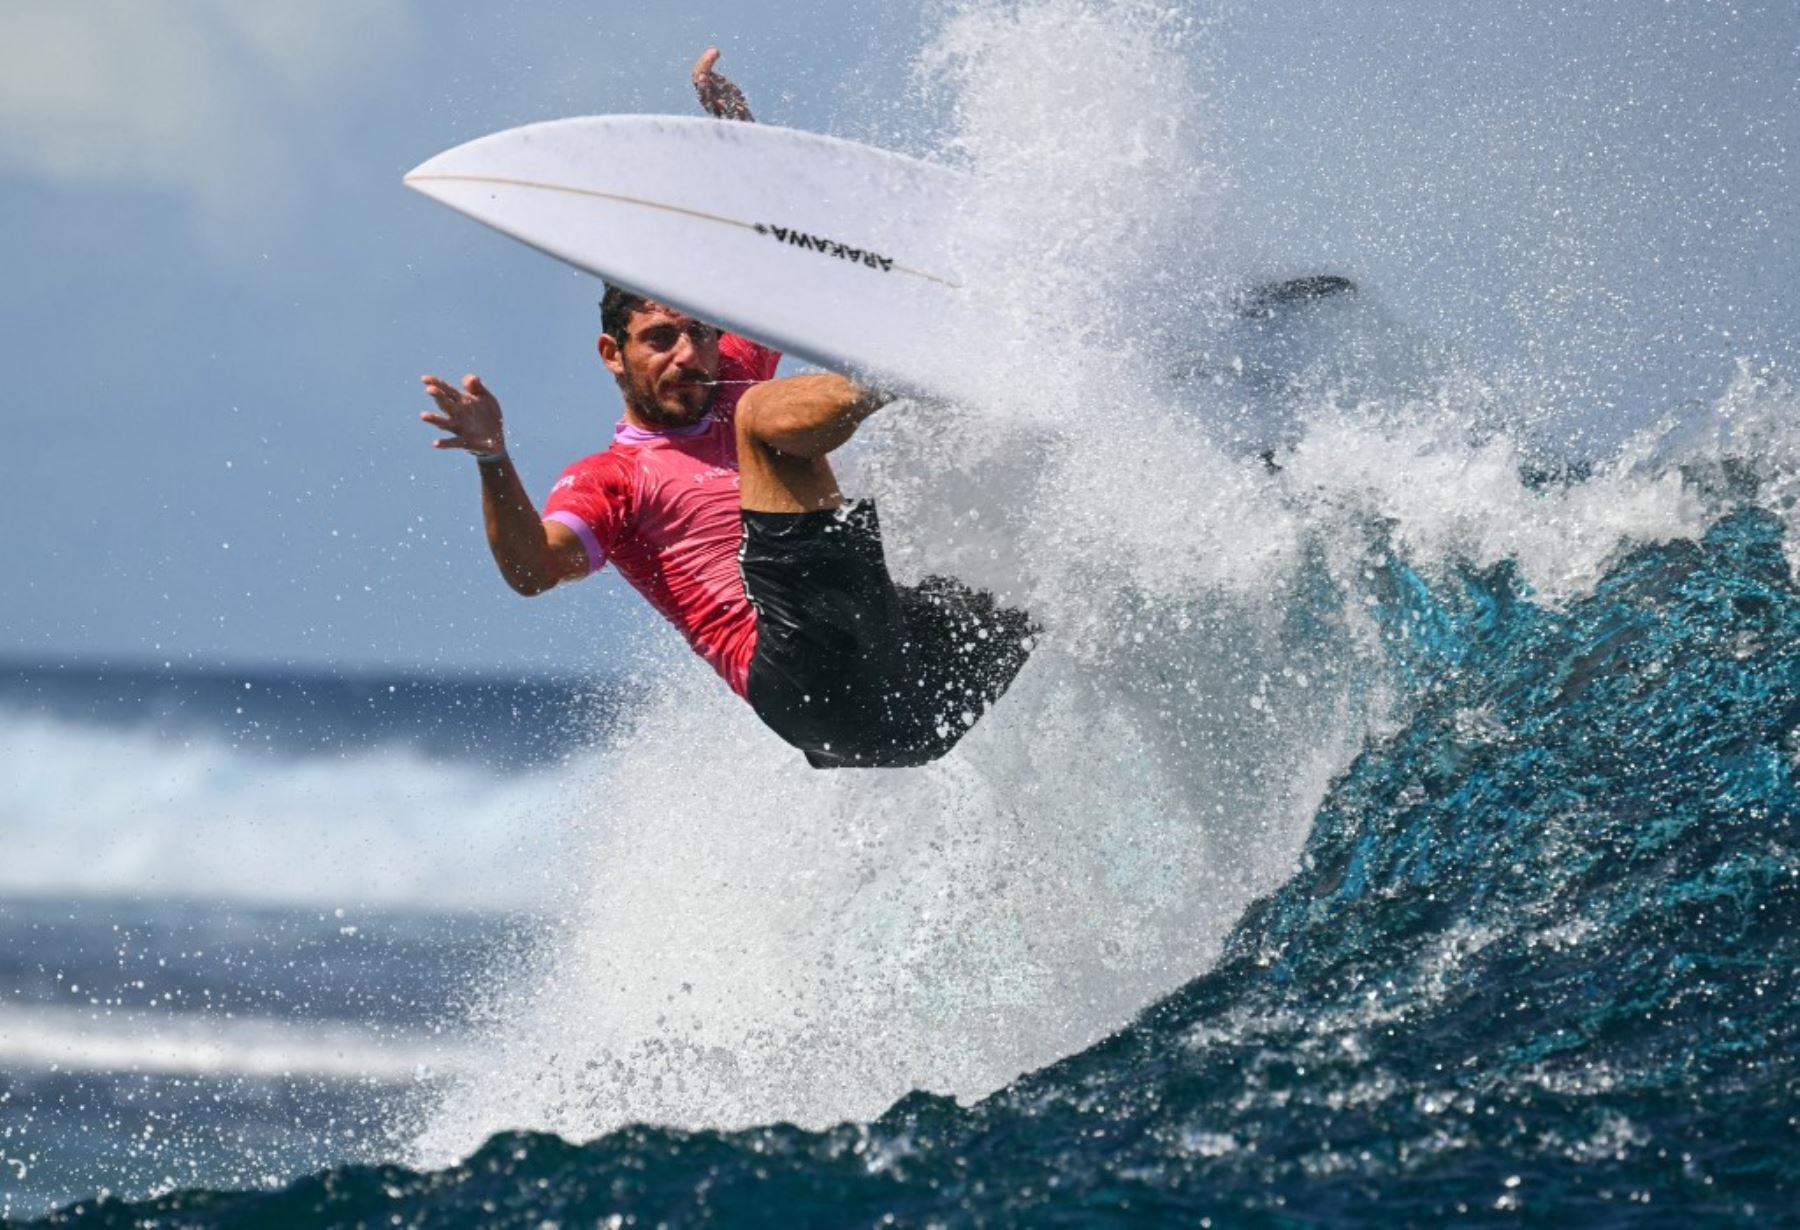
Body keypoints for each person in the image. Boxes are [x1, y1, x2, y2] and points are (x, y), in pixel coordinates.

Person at [419, 50, 1033, 768]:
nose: (689, 355)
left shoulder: (724, 370)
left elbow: (773, 263)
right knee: (763, 422)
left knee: (1038, 575)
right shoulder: (613, 479)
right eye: (659, 339)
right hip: (809, 689)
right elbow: (534, 571)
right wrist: (494, 458)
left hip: (912, 702)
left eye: (701, 334)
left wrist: (745, 147)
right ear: (612, 354)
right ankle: (930, 361)